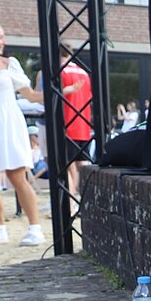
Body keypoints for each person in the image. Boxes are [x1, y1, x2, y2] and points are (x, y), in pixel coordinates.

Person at [0, 19, 47, 246]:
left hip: (8, 122)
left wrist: (57, 93)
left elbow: (29, 95)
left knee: (17, 177)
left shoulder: (9, 63)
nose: (3, 41)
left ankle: (35, 228)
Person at [57, 43, 93, 211]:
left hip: (68, 125)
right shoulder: (84, 73)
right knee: (82, 167)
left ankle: (70, 206)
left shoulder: (61, 71)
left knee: (68, 168)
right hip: (83, 126)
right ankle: (88, 203)